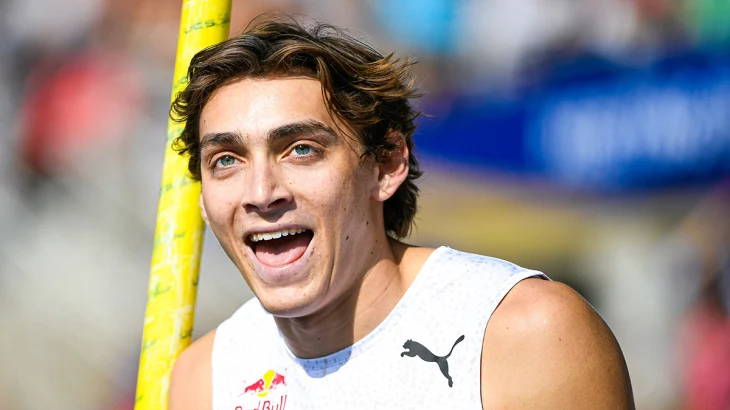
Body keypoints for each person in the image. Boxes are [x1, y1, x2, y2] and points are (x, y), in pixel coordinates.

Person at [168, 16, 634, 410]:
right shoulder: (204, 381)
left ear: (387, 164)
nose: (260, 192)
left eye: (301, 149)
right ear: (204, 202)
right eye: (226, 160)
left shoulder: (526, 333)